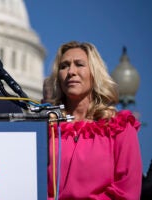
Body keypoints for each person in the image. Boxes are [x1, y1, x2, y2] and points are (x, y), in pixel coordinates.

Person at [46, 41, 142, 199]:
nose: (71, 71)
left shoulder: (120, 127)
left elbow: (127, 191)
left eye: (79, 64)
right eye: (64, 66)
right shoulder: (46, 130)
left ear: (94, 72)